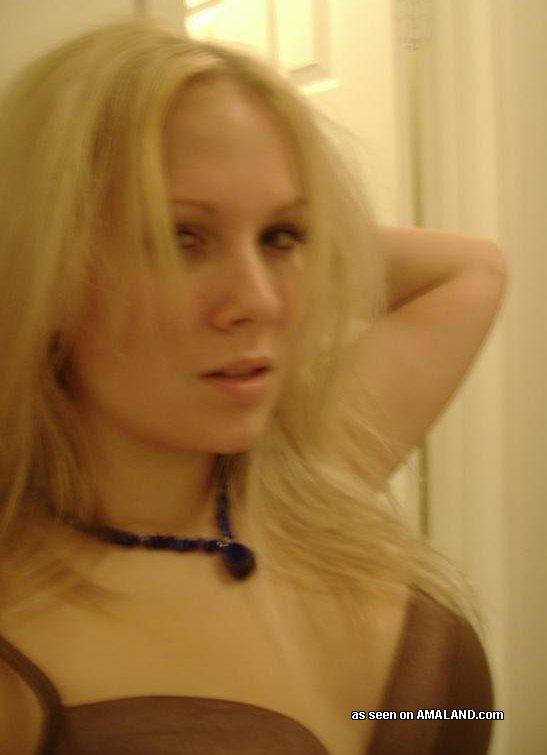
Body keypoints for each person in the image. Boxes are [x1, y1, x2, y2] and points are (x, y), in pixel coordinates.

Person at [0, 16, 496, 755]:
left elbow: (474, 267)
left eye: (281, 237)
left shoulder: (312, 478)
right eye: (179, 237)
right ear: (48, 264)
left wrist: (294, 241)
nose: (258, 301)